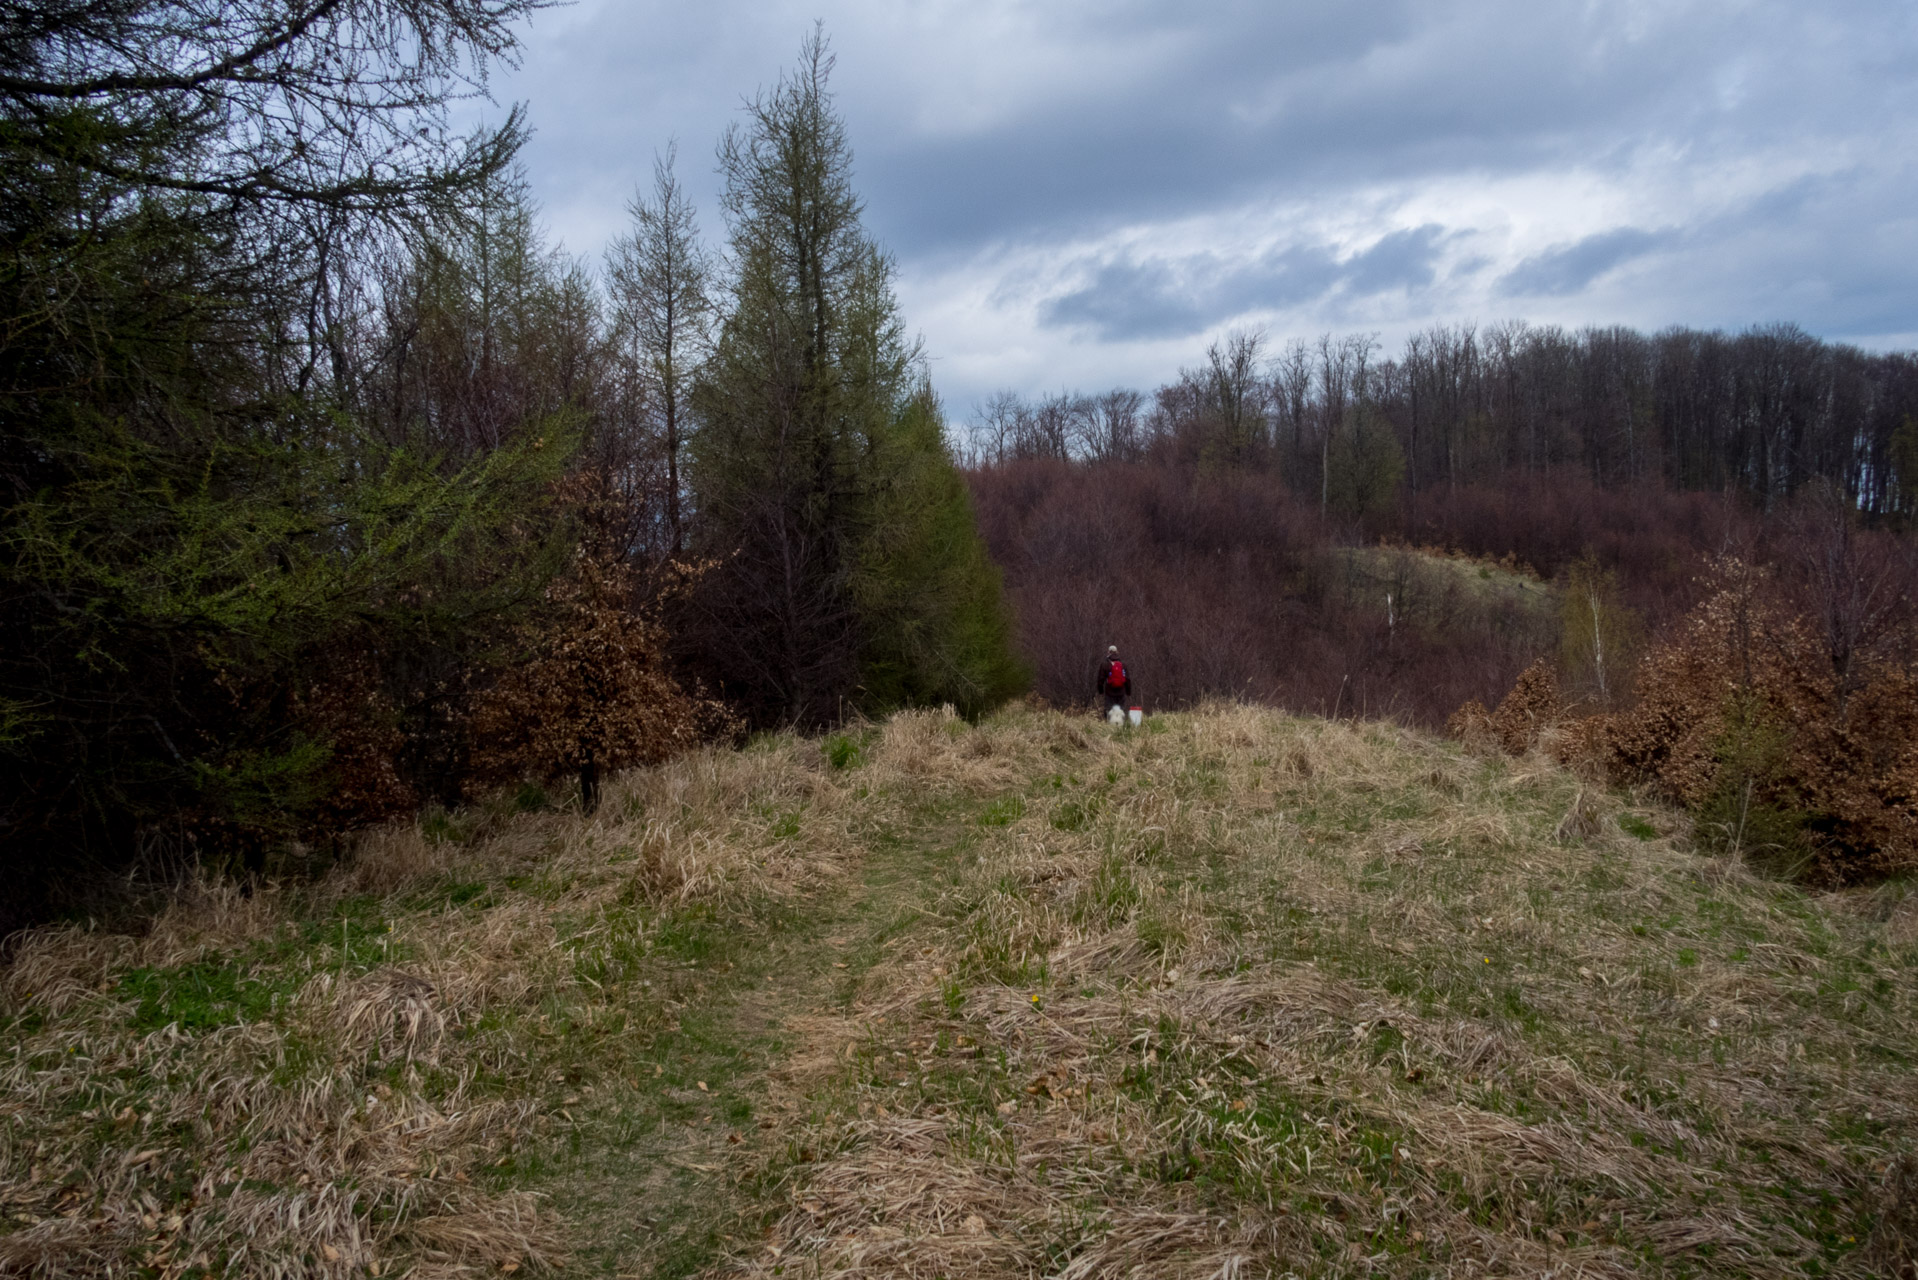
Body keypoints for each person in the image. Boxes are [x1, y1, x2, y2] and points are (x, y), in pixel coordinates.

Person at [1095, 644, 1132, 719]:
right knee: (1121, 712)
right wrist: (1128, 692)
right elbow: (1127, 679)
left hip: (1109, 692)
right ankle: (1120, 728)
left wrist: (1101, 691)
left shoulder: (1104, 665)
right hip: (1121, 692)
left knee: (1109, 711)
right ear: (1117, 652)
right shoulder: (1123, 665)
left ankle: (1108, 727)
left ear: (1108, 652)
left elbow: (1100, 680)